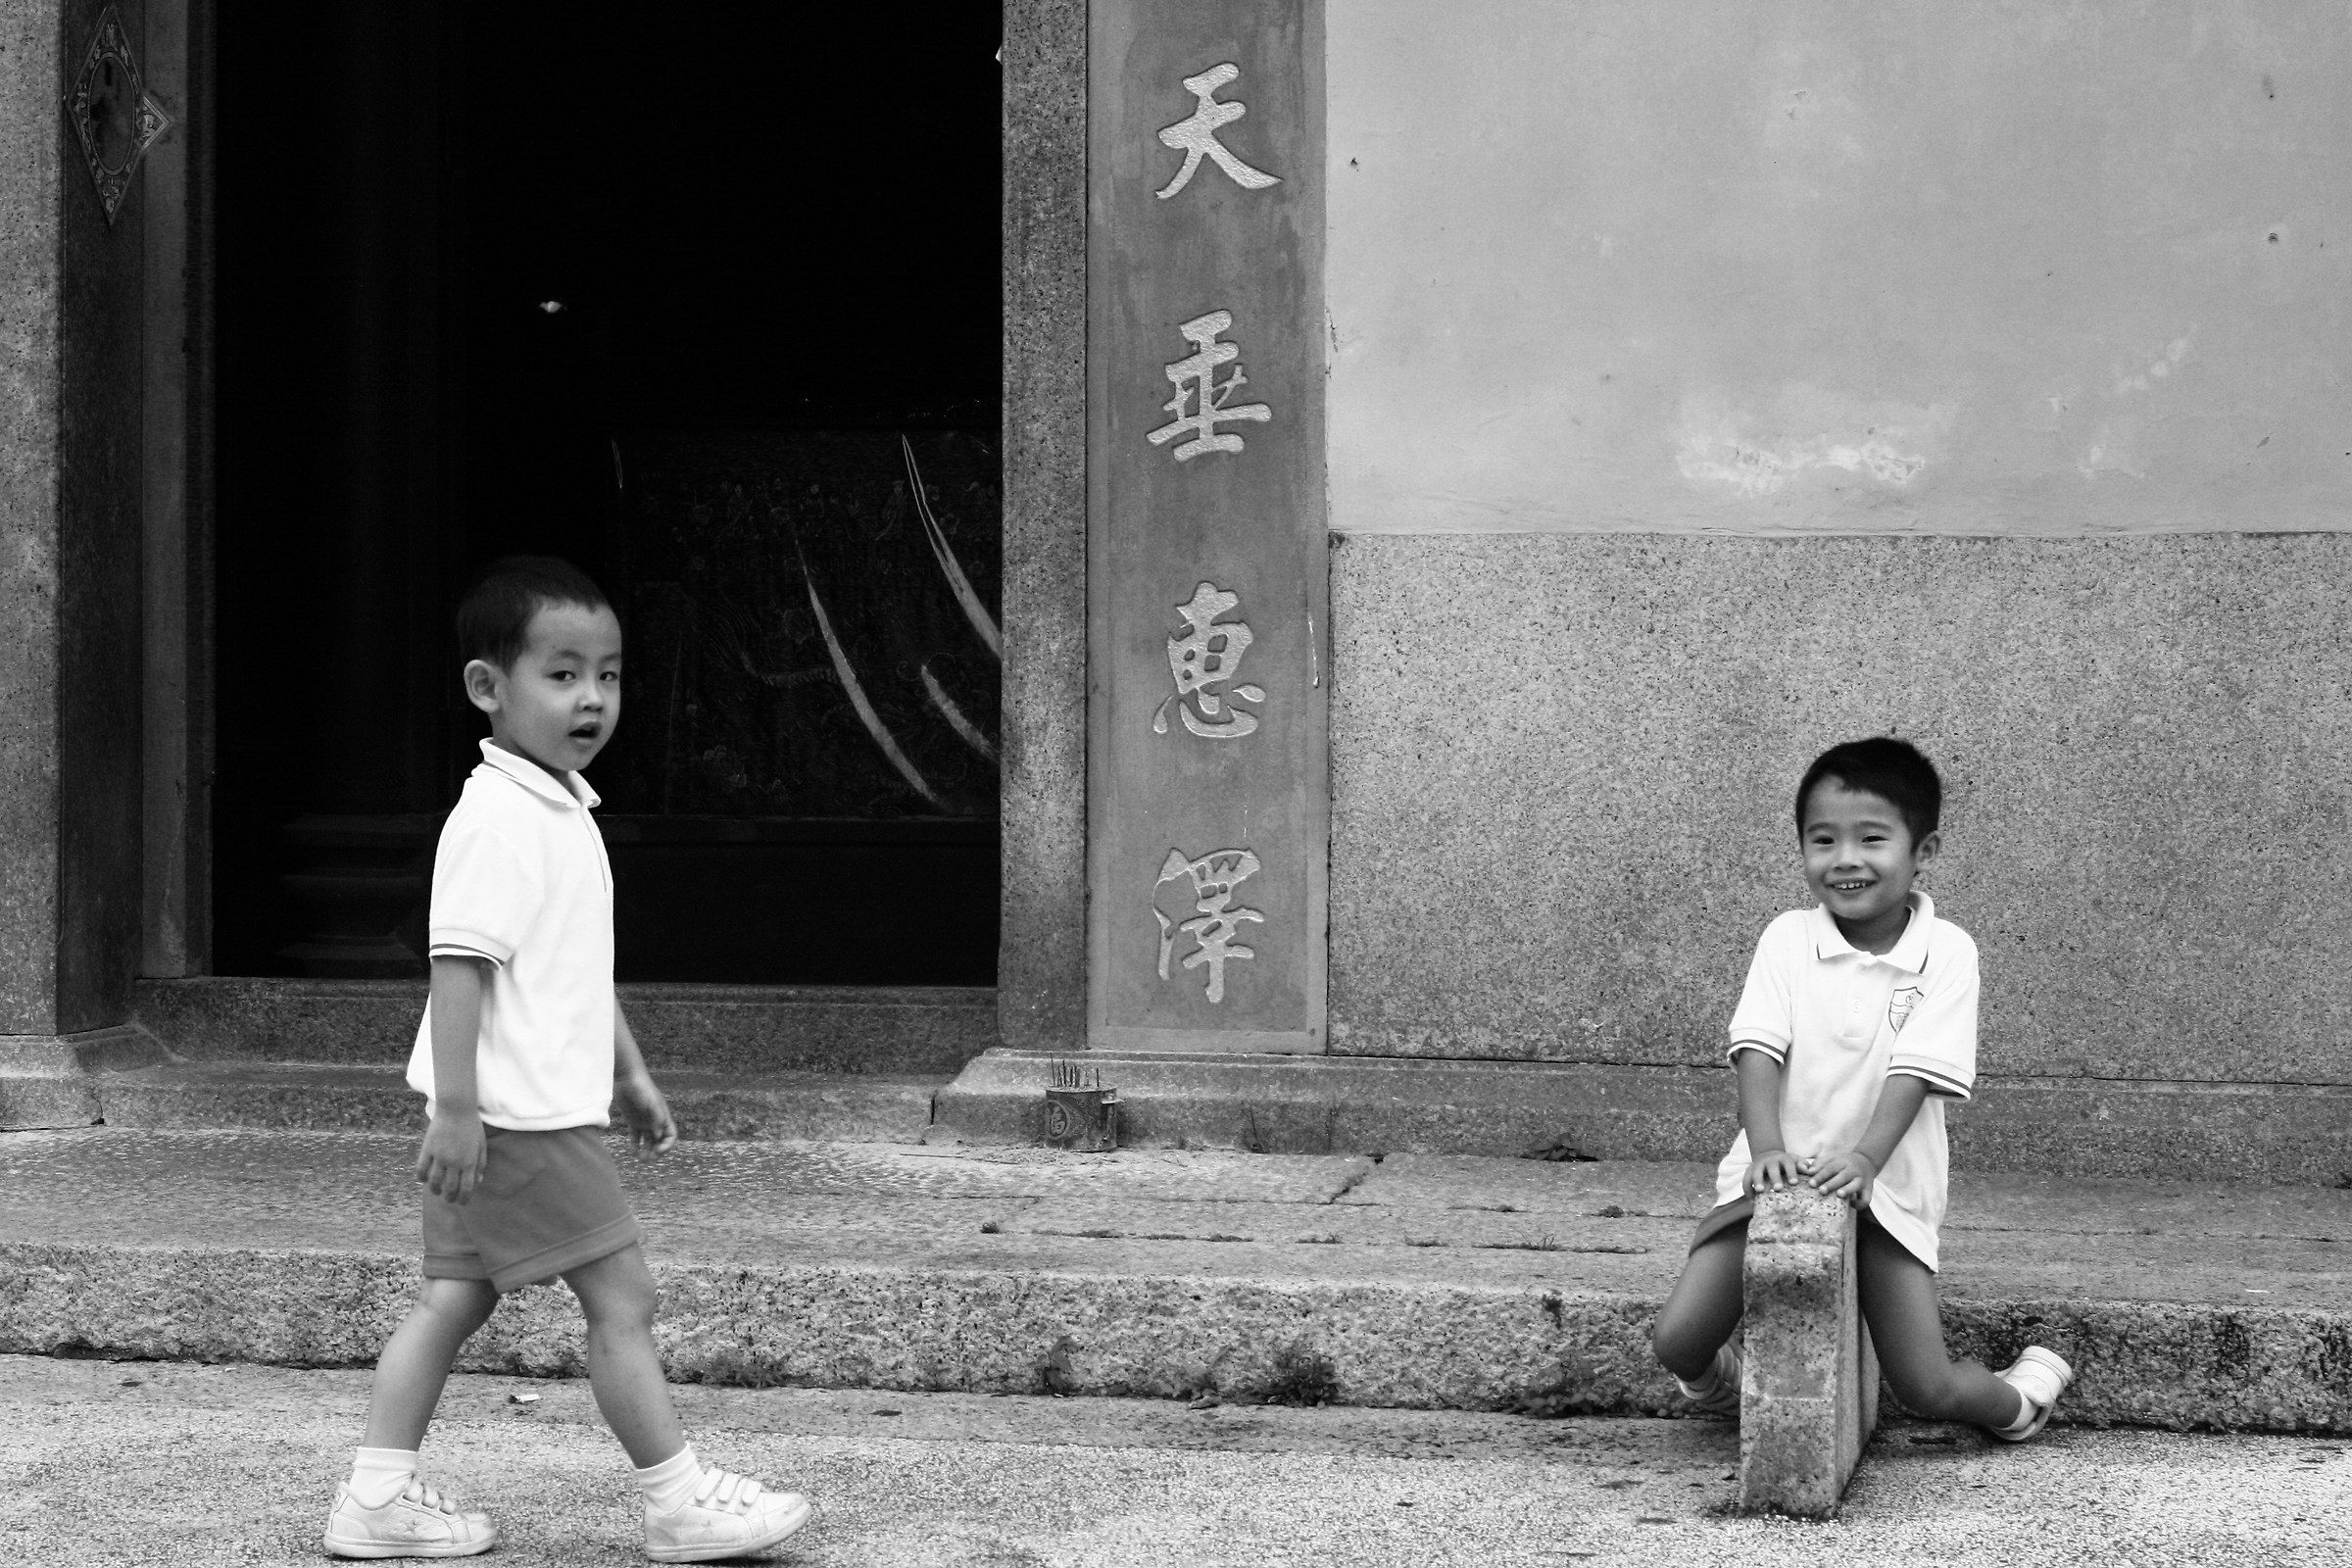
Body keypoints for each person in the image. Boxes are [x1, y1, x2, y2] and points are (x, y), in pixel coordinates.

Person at [323, 557, 816, 1561]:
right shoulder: (501, 817)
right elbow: (457, 967)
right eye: (561, 673)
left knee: (453, 1300)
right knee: (624, 1298)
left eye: (609, 674)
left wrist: (627, 1071)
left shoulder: (556, 805)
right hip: (520, 1120)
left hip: (514, 1109)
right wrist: (460, 1109)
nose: (591, 696)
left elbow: (570, 974)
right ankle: (679, 1499)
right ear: (487, 687)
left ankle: (374, 1494)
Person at [1648, 737, 2073, 1441]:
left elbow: (1917, 1070)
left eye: (1871, 839)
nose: (1845, 858)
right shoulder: (1787, 938)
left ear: (1923, 851)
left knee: (1927, 1385)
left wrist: (1867, 1160)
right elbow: (1757, 1048)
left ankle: (2023, 1398)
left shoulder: (1947, 950)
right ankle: (1728, 1392)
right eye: (1823, 840)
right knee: (1678, 1343)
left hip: (1885, 1188)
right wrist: (1766, 1149)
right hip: (1779, 1179)